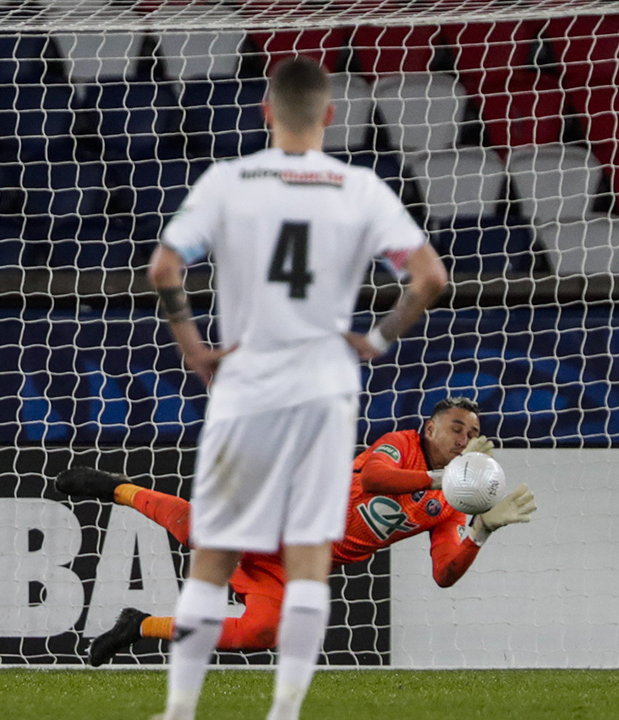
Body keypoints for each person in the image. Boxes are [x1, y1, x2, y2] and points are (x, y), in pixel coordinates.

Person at [145, 57, 448, 720]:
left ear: (265, 113)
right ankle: (284, 712)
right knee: (310, 559)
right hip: (323, 392)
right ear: (330, 117)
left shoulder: (230, 181)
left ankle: (180, 710)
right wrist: (377, 338)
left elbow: (165, 266)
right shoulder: (360, 187)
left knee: (215, 555)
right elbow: (429, 277)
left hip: (247, 390)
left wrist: (195, 348)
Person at [56, 398, 535, 665]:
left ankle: (137, 626)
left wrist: (481, 531)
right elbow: (374, 481)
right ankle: (113, 487)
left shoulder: (450, 505)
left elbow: (444, 574)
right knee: (196, 532)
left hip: (299, 563)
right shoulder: (399, 445)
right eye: (456, 428)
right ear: (428, 428)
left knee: (262, 632)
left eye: (472, 435)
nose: (464, 440)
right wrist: (439, 478)